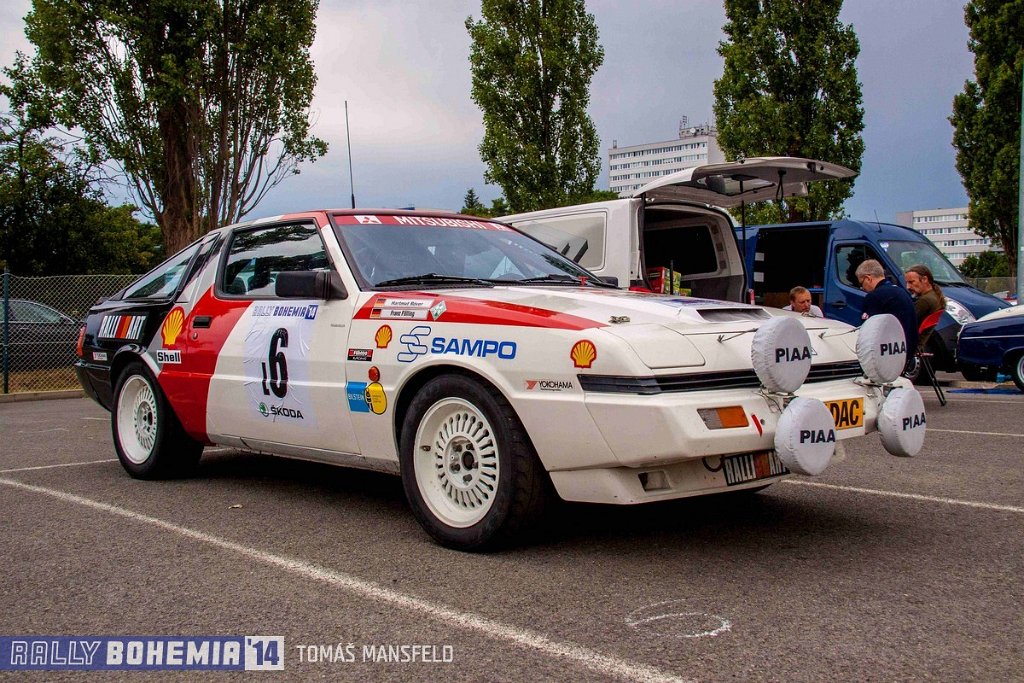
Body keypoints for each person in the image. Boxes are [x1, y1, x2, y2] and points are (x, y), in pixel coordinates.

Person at [855, 259, 918, 356]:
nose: (862, 288)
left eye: (861, 283)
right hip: (907, 349)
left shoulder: (874, 297)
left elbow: (867, 332)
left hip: (889, 353)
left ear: (868, 278)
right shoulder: (901, 291)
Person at [904, 264, 946, 350]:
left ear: (924, 279)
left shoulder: (925, 301)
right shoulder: (935, 296)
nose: (908, 287)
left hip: (912, 347)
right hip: (920, 346)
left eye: (911, 282)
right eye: (907, 283)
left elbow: (905, 323)